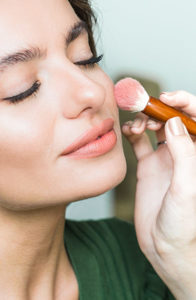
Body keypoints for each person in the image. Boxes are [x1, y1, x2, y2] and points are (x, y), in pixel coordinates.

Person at [0, 0, 195, 299]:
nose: (93, 91)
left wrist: (184, 264)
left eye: (85, 58)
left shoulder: (145, 267)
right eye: (24, 89)